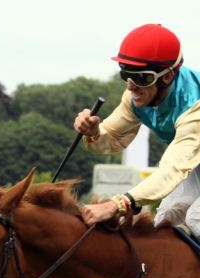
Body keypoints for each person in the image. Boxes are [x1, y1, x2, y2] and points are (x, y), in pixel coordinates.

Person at [75, 24, 200, 237]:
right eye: (126, 75)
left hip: (186, 162)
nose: (131, 86)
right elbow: (112, 139)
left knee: (195, 218)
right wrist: (93, 132)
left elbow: (172, 171)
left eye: (142, 77)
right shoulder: (136, 95)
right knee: (165, 221)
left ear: (167, 77)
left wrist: (118, 204)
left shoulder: (194, 107)